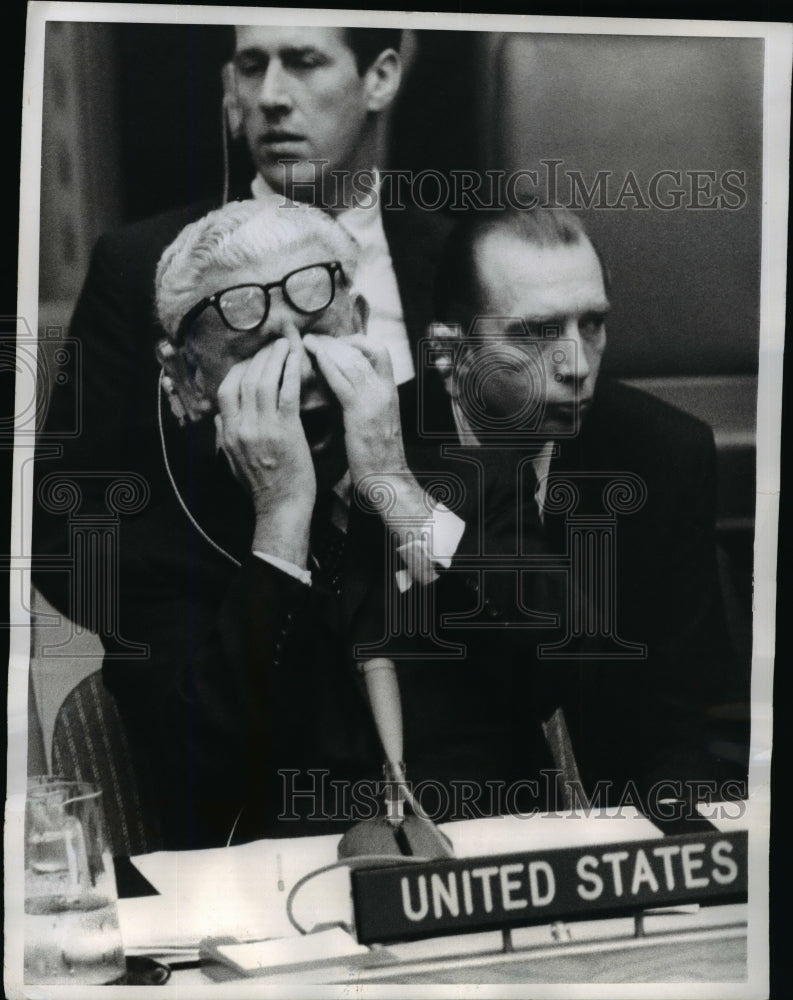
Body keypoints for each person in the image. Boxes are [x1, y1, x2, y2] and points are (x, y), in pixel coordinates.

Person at [74, 198, 458, 848]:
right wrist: (281, 520)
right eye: (258, 352)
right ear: (187, 376)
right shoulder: (148, 550)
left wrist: (397, 489)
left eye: (319, 334)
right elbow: (199, 770)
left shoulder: (463, 477)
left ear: (361, 323)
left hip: (489, 856)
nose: (300, 370)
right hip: (281, 878)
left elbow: (550, 674)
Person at [399, 206, 749, 814]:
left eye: (591, 324)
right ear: (451, 352)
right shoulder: (387, 454)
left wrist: (673, 844)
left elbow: (682, 714)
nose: (578, 365)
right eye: (537, 333)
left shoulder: (661, 454)